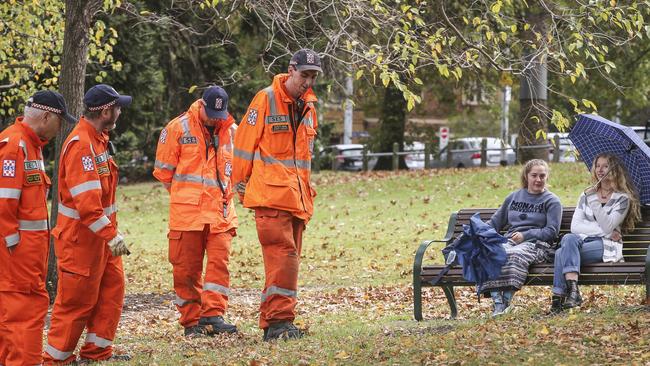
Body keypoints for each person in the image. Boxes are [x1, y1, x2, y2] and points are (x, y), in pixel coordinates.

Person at [232, 49, 321, 341]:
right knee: (284, 260)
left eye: (312, 76)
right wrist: (241, 185)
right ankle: (279, 323)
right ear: (291, 70)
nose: (307, 82)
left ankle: (276, 321)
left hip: (296, 200)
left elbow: (303, 159)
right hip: (270, 198)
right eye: (304, 74)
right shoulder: (265, 99)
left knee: (285, 263)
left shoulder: (309, 106)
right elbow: (243, 146)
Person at [44, 84, 132, 364]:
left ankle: (97, 353)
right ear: (106, 111)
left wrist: (110, 237)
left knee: (111, 294)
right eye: (118, 108)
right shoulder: (82, 144)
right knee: (75, 304)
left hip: (102, 242)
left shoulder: (99, 140)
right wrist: (112, 236)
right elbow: (88, 206)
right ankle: (57, 359)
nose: (120, 112)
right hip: (81, 243)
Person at [153, 86, 239, 337]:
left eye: (219, 115)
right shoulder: (177, 128)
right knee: (186, 270)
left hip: (221, 214)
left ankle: (213, 315)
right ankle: (191, 321)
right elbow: (164, 173)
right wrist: (188, 197)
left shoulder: (233, 131)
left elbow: (240, 169)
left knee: (218, 266)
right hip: (187, 215)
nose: (215, 119)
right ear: (201, 105)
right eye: (211, 113)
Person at [0, 90, 75, 366]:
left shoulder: (31, 145)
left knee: (15, 323)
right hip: (17, 259)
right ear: (46, 116)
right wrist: (13, 247)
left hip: (25, 257)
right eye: (59, 121)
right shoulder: (14, 146)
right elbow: (3, 203)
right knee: (23, 319)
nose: (60, 128)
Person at [550, 153, 641, 312]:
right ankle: (572, 293)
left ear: (614, 169)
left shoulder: (622, 199)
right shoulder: (584, 195)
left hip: (606, 246)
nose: (600, 169)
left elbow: (608, 225)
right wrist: (605, 232)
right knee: (569, 238)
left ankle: (558, 301)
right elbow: (575, 226)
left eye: (605, 166)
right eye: (597, 166)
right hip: (582, 242)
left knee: (560, 254)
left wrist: (593, 200)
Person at [478, 159, 562, 316]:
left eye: (542, 176)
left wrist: (526, 235)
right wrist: (478, 232)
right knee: (489, 252)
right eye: (534, 175)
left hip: (538, 245)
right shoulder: (513, 197)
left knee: (513, 255)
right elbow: (495, 222)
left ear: (547, 177)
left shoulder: (552, 201)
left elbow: (552, 231)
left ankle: (507, 302)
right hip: (510, 240)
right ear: (526, 176)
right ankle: (498, 303)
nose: (538, 180)